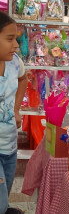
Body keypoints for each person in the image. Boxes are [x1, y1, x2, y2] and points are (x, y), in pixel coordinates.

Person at [0, 11, 27, 214]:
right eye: (9, 39)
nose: (16, 45)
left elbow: (23, 78)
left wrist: (16, 109)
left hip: (9, 145)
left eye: (15, 39)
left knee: (4, 197)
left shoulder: (15, 62)